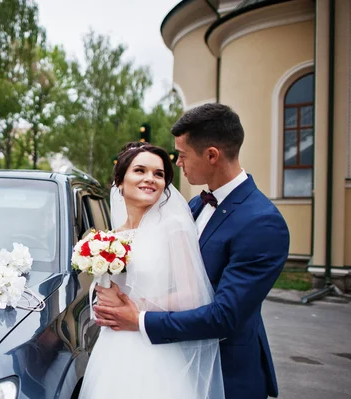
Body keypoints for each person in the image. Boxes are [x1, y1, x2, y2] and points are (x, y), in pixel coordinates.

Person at [94, 103, 290, 399]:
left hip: (227, 372)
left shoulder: (262, 222)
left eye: (182, 156)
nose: (178, 163)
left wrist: (138, 318)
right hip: (166, 358)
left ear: (211, 155)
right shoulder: (194, 207)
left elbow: (225, 315)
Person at [80, 142, 224, 399]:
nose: (151, 179)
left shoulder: (173, 227)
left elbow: (191, 295)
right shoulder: (112, 237)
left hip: (152, 345)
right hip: (112, 347)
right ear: (120, 182)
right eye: (140, 170)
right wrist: (103, 296)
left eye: (159, 174)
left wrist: (133, 309)